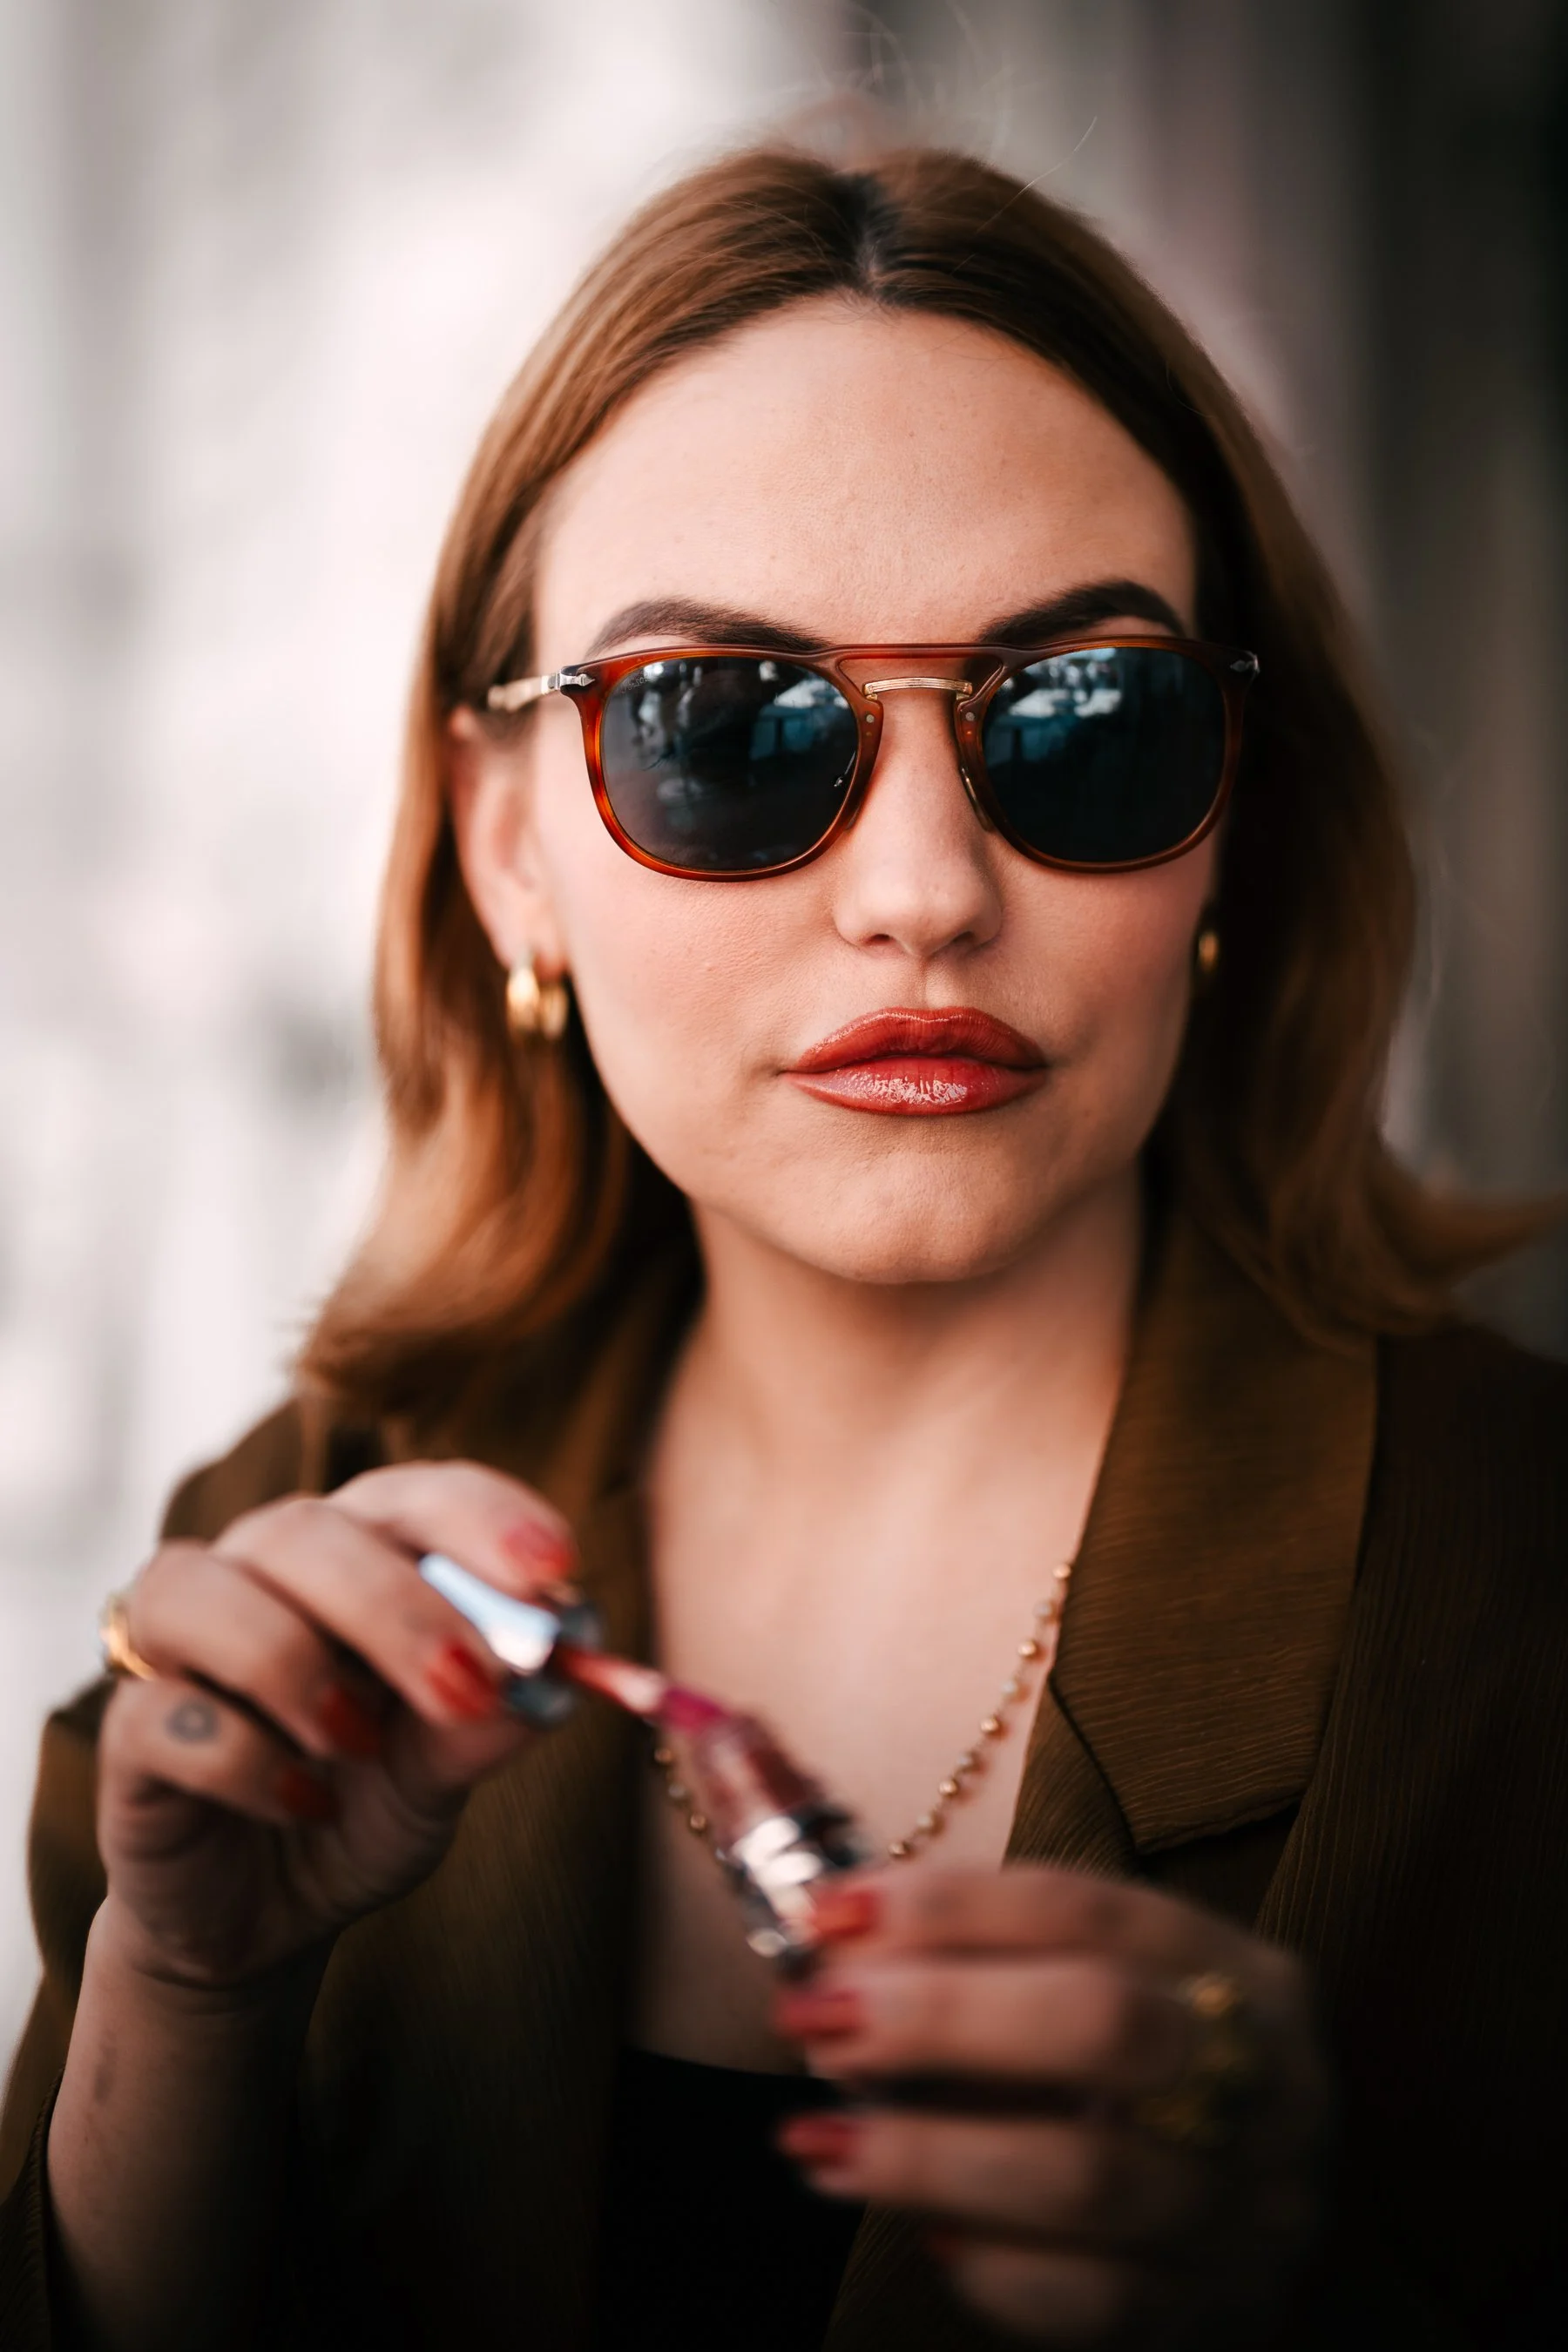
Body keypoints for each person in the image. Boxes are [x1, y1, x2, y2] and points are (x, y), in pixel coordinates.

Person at [2, 143, 1564, 2352]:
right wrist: (184, 1997)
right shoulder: (288, 1549)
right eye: (728, 728)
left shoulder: (1523, 1587)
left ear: (1240, 818)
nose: (925, 886)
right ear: (510, 850)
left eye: (1082, 724)